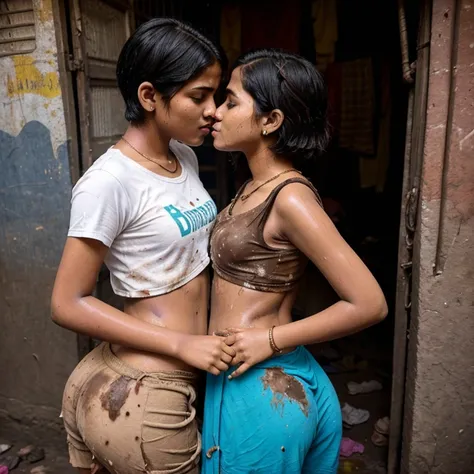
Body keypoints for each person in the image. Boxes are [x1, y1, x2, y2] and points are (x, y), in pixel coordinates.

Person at [51, 18, 236, 474]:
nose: (213, 110)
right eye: (199, 96)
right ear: (150, 96)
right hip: (146, 386)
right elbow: (67, 303)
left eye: (215, 95)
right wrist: (181, 344)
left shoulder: (185, 156)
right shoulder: (109, 182)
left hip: (176, 370)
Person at [202, 49, 388, 474]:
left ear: (271, 120)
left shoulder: (290, 197)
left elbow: (369, 303)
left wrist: (266, 340)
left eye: (231, 101)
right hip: (243, 379)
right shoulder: (255, 185)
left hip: (264, 388)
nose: (215, 112)